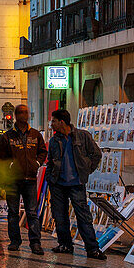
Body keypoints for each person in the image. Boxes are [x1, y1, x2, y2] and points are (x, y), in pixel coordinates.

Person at [46, 108, 104, 259]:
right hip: (58, 183)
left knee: (83, 215)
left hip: (76, 183)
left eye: (53, 121)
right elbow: (51, 161)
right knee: (60, 215)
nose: (51, 124)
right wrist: (50, 179)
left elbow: (96, 154)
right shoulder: (54, 140)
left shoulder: (82, 136)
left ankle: (92, 248)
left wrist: (86, 169)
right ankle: (65, 244)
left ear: (62, 122)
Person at [0, 104, 47, 255]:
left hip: (30, 179)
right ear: (15, 115)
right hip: (13, 180)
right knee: (13, 212)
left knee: (32, 212)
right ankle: (14, 241)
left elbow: (43, 151)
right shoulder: (7, 136)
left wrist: (37, 163)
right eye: (20, 112)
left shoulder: (35, 134)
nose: (23, 115)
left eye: (25, 112)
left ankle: (35, 242)